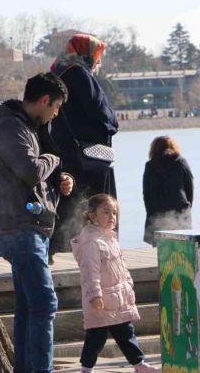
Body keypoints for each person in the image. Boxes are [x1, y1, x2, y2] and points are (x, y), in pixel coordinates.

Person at [0, 72, 74, 373]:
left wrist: (58, 184)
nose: (56, 113)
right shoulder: (11, 127)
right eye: (56, 107)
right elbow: (31, 170)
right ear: (45, 100)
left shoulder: (24, 127)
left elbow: (33, 180)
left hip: (28, 225)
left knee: (28, 306)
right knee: (45, 304)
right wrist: (52, 159)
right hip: (20, 228)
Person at [71, 194, 160, 373]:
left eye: (114, 213)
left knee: (126, 333)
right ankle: (86, 368)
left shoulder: (110, 238)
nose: (112, 217)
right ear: (92, 215)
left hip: (118, 297)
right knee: (96, 337)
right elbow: (90, 272)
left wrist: (128, 283)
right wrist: (95, 295)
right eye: (106, 212)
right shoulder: (91, 242)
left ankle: (139, 364)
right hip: (102, 299)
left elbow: (120, 265)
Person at [49, 33, 119, 260]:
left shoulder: (58, 72)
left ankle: (70, 250)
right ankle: (95, 254)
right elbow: (99, 110)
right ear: (85, 53)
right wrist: (113, 120)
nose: (98, 61)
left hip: (67, 152)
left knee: (72, 207)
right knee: (96, 206)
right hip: (89, 158)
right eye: (97, 55)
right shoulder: (78, 74)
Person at [142, 135, 194, 247]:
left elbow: (146, 194)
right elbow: (190, 188)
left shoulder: (150, 165)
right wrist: (188, 207)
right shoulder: (180, 161)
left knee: (162, 250)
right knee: (182, 247)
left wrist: (150, 211)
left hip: (157, 212)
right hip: (179, 211)